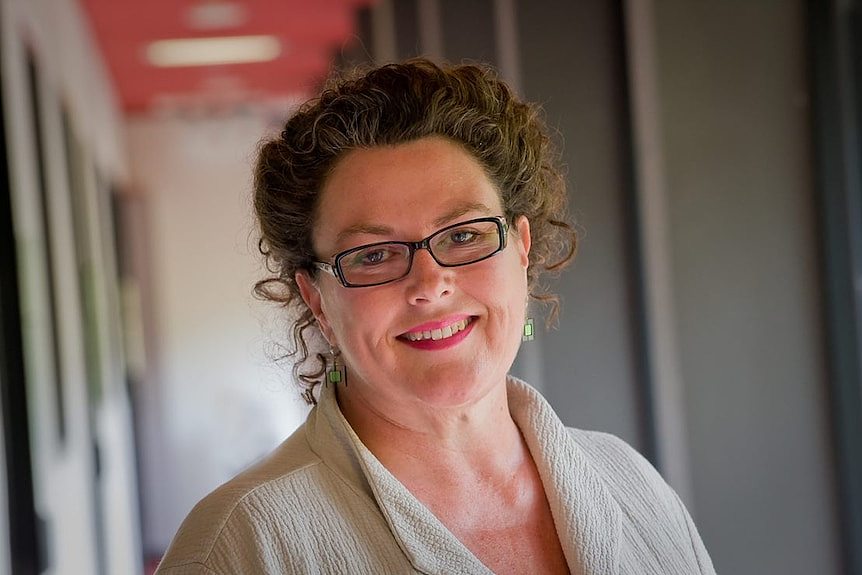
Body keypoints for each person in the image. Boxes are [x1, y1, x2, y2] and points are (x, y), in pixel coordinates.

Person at [156, 58, 716, 575]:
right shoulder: (240, 545)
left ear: (521, 250)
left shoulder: (628, 480)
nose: (429, 284)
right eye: (374, 255)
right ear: (317, 300)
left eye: (466, 235)